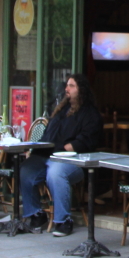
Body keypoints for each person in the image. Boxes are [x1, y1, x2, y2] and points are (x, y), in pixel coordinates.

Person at [20, 74, 102, 237]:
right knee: (25, 170)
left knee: (55, 173)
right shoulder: (60, 111)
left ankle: (63, 220)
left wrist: (65, 148)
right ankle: (36, 214)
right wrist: (35, 150)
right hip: (46, 155)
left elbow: (84, 141)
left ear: (81, 90)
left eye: (72, 86)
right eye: (67, 85)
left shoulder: (90, 114)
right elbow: (47, 135)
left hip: (72, 161)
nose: (67, 89)